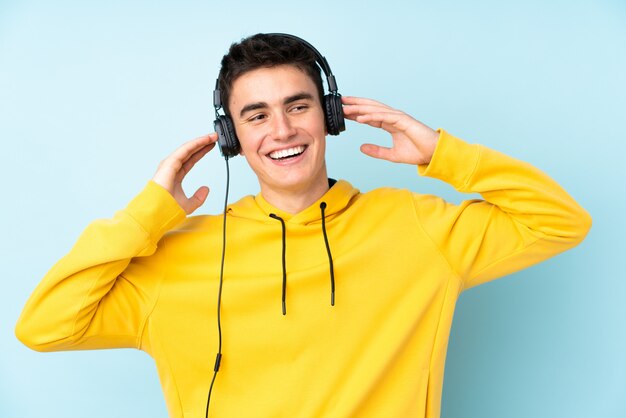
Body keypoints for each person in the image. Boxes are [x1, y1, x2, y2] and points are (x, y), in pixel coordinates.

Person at [15, 33, 591, 418]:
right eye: (256, 115)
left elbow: (560, 221)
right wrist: (146, 214)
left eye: (298, 105)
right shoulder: (175, 258)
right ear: (230, 137)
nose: (282, 130)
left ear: (329, 115)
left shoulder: (416, 229)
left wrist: (441, 152)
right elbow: (45, 327)